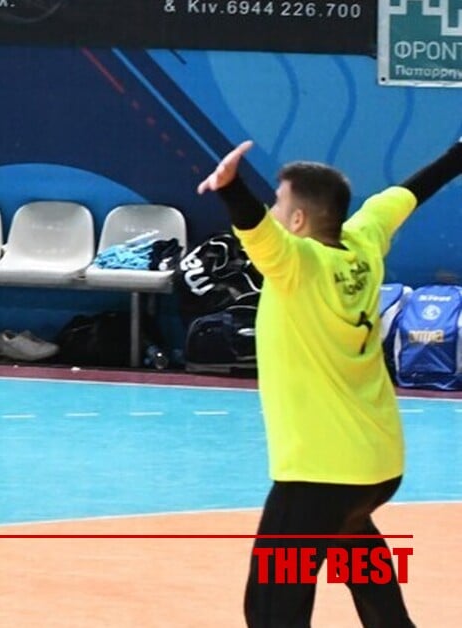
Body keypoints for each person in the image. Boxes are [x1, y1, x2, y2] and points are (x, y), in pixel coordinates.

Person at [196, 138, 462, 627]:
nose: (273, 211)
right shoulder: (364, 240)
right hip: (376, 466)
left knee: (271, 611)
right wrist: (457, 156)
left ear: (298, 221)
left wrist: (230, 186)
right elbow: (410, 193)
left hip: (319, 475)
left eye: (279, 204)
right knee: (362, 566)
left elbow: (255, 229)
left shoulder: (298, 266)